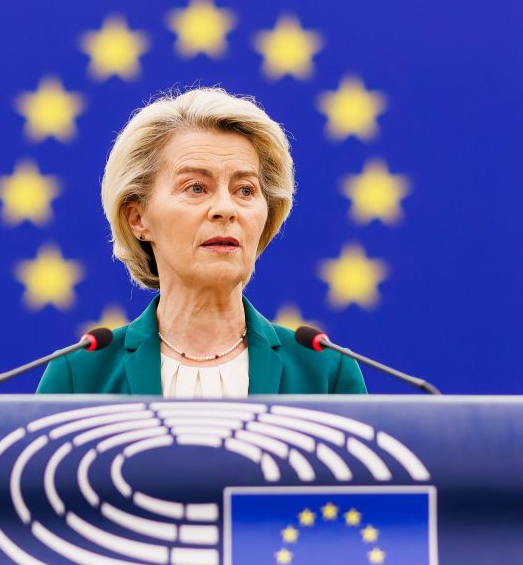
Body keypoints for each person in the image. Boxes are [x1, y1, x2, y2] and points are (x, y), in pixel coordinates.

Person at [38, 87, 367, 397]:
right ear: (137, 218)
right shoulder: (80, 374)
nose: (225, 209)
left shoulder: (325, 371)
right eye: (196, 188)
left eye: (245, 190)